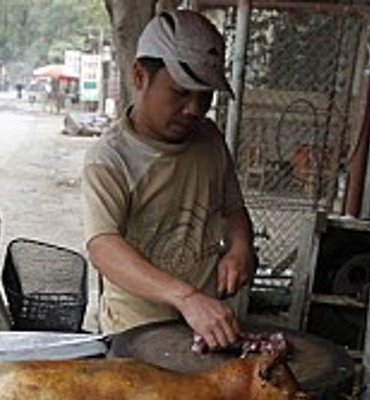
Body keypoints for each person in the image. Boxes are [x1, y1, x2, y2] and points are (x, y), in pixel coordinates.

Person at [82, 9, 255, 350]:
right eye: (180, 92)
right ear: (139, 76)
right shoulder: (110, 158)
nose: (194, 108)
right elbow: (103, 246)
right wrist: (186, 297)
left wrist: (240, 248)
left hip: (204, 328)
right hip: (135, 332)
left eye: (205, 96)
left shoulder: (210, 139)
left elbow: (233, 209)